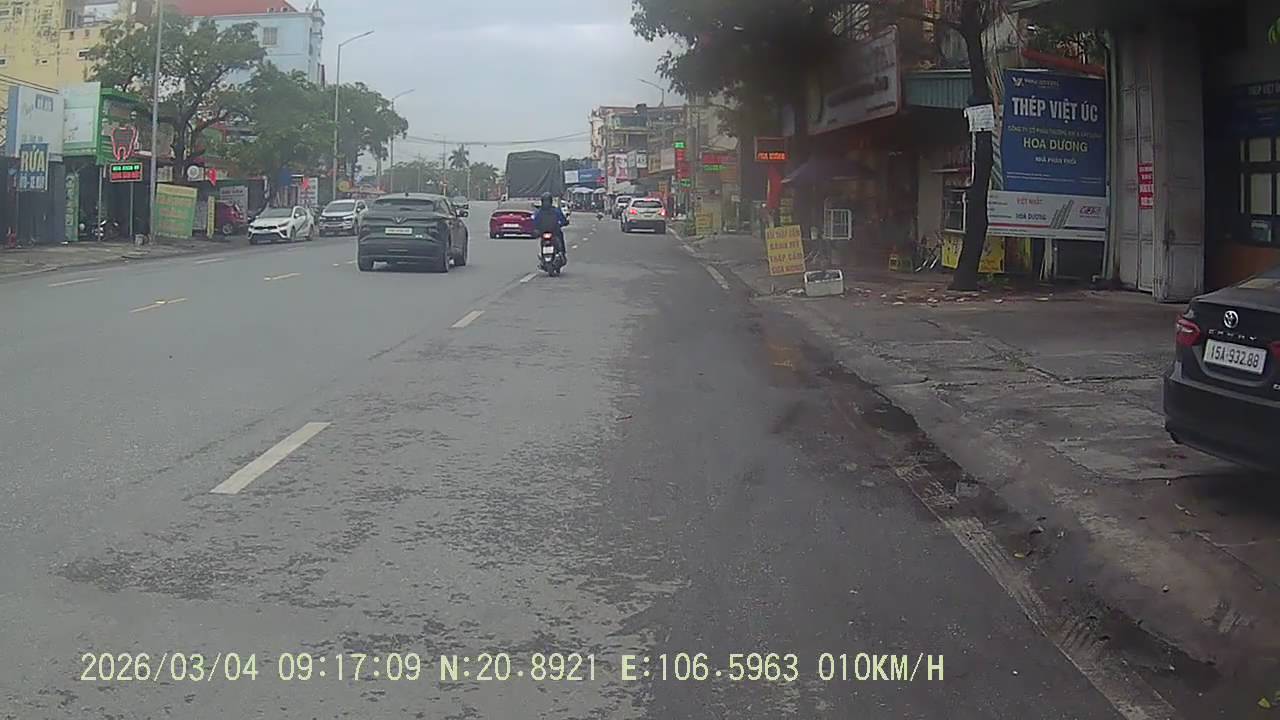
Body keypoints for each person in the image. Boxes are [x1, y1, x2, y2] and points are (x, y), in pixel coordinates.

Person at [531, 192, 569, 261]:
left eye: (547, 201)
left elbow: (562, 219)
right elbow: (535, 222)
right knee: (557, 236)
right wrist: (535, 229)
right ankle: (559, 253)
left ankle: (561, 252)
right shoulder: (541, 211)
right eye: (545, 201)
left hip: (553, 231)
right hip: (546, 232)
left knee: (560, 236)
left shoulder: (553, 211)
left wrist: (564, 222)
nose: (546, 203)